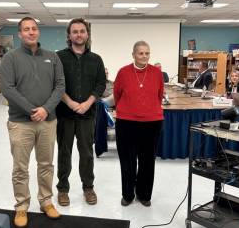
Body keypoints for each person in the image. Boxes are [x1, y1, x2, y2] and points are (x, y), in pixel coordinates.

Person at [0, 17, 65, 228]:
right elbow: (8, 88)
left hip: (48, 121)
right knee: (20, 167)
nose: (30, 32)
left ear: (38, 32)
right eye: (26, 29)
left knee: (46, 164)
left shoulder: (52, 57)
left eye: (34, 29)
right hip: (20, 123)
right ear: (20, 34)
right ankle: (21, 206)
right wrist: (31, 110)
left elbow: (60, 86)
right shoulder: (10, 58)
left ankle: (46, 201)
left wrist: (46, 109)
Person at [56, 18, 106, 206]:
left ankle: (88, 188)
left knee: (86, 153)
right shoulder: (59, 57)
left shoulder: (96, 59)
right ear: (69, 35)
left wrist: (88, 102)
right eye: (75, 31)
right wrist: (69, 102)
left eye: (82, 31)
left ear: (87, 34)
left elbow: (101, 84)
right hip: (64, 114)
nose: (79, 34)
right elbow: (56, 83)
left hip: (87, 114)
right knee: (64, 153)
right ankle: (62, 189)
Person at [114, 41, 164, 207]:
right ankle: (128, 194)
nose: (144, 56)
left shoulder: (157, 73)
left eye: (147, 53)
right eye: (141, 53)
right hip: (126, 122)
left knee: (147, 161)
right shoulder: (123, 72)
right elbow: (117, 94)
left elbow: (159, 95)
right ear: (133, 54)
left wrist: (148, 110)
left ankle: (143, 194)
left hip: (152, 122)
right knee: (127, 161)